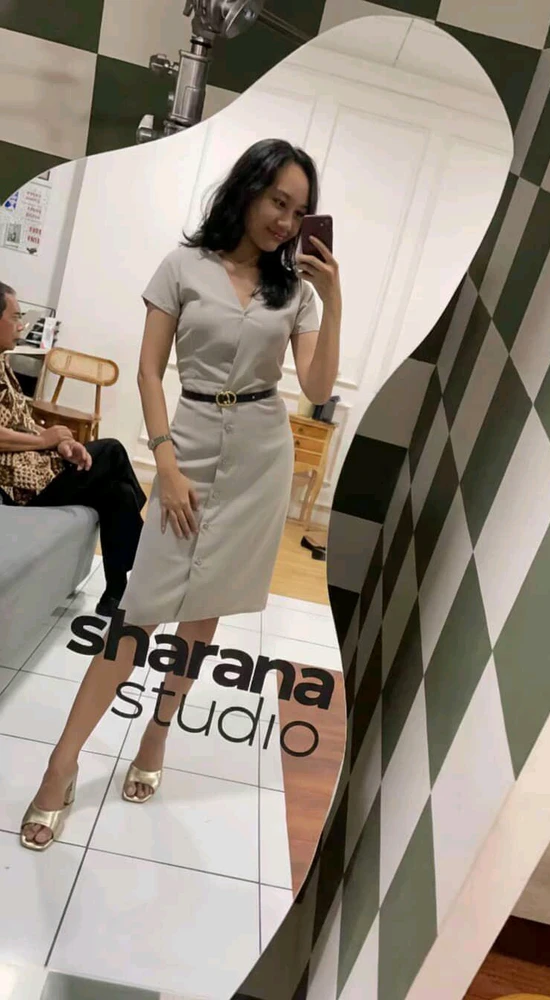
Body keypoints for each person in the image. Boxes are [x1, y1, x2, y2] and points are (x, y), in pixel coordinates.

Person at [20, 137, 342, 850]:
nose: (286, 222)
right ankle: (61, 763)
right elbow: (147, 371)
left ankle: (156, 735)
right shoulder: (182, 267)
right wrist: (164, 462)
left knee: (204, 613)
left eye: (299, 212)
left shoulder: (295, 292)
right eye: (277, 202)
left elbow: (318, 387)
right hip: (187, 443)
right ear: (247, 190)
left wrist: (334, 296)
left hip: (260, 455)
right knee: (138, 614)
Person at [0, 282, 146, 617]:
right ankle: (150, 562)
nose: (22, 325)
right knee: (111, 450)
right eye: (16, 317)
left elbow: (21, 422)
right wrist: (44, 441)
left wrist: (62, 441)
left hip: (40, 468)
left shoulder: (3, 363)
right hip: (21, 486)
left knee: (117, 491)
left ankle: (115, 594)